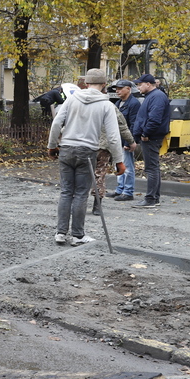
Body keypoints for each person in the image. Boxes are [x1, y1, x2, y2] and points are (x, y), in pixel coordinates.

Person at [48, 69, 125, 246]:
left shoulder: (72, 99)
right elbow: (113, 137)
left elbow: (57, 123)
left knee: (66, 191)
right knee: (81, 194)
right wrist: (119, 160)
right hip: (87, 151)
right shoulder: (106, 105)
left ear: (86, 83)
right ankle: (77, 236)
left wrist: (52, 146)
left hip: (67, 148)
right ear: (104, 85)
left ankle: (60, 233)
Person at [90, 80, 136, 215]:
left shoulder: (77, 103)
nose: (117, 91)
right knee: (99, 175)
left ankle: (77, 203)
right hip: (102, 146)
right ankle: (97, 206)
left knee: (81, 174)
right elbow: (122, 126)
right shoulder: (109, 105)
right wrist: (131, 141)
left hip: (83, 145)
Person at [131, 73, 171, 208]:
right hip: (151, 136)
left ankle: (150, 199)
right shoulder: (153, 96)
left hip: (151, 137)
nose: (138, 88)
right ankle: (154, 198)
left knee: (151, 168)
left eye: (139, 84)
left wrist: (145, 133)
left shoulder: (157, 97)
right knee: (153, 167)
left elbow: (154, 119)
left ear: (148, 84)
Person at [111, 79, 141, 201]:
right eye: (116, 89)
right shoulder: (118, 103)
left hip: (126, 140)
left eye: (120, 88)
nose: (117, 91)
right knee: (119, 165)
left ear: (128, 89)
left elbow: (133, 124)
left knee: (128, 166)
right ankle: (120, 189)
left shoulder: (134, 104)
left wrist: (129, 141)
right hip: (118, 140)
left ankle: (128, 192)